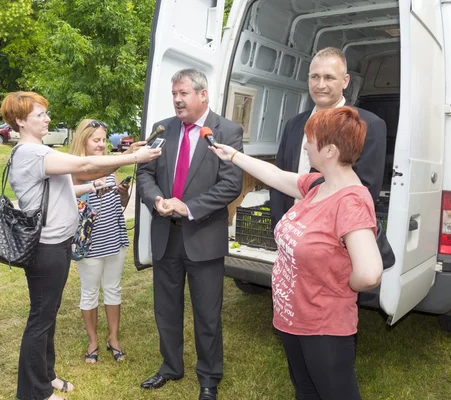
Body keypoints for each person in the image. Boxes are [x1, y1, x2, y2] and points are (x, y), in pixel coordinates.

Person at [210, 106, 383, 400]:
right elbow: (276, 176)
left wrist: (342, 286)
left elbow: (369, 273)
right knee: (305, 390)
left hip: (324, 327)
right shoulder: (319, 185)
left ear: (329, 150)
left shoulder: (351, 201)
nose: (305, 145)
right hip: (293, 319)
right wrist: (234, 156)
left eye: (310, 140)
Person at [0, 92, 161, 400]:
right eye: (40, 115)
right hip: (46, 247)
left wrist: (93, 185)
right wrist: (133, 157)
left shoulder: (39, 151)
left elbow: (67, 184)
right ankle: (34, 393)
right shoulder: (31, 154)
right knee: (41, 319)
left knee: (48, 314)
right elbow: (85, 162)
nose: (47, 119)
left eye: (46, 113)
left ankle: (47, 377)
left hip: (58, 244)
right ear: (20, 121)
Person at [136, 68, 243, 400]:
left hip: (203, 238)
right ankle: (171, 366)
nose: (177, 100)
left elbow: (230, 185)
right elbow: (144, 172)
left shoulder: (226, 131)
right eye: (174, 94)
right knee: (166, 308)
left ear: (202, 94)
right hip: (165, 235)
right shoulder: (163, 129)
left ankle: (209, 376)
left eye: (183, 93)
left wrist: (187, 207)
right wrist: (156, 200)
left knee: (207, 313)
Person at [270, 47, 387, 230]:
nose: (320, 85)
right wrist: (280, 226)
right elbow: (278, 179)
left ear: (345, 81)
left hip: (332, 238)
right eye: (314, 77)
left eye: (329, 77)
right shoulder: (294, 124)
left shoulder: (368, 125)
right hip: (290, 233)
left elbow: (365, 191)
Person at [69, 119, 142, 363]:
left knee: (113, 289)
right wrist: (123, 158)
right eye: (96, 140)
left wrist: (123, 194)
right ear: (83, 140)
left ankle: (113, 338)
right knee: (89, 292)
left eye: (103, 140)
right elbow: (86, 177)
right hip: (89, 241)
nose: (101, 145)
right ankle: (93, 341)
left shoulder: (109, 165)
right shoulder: (75, 167)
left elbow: (118, 205)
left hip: (114, 237)